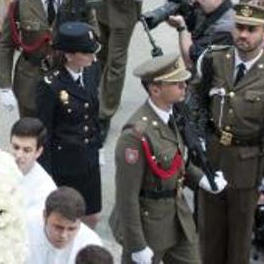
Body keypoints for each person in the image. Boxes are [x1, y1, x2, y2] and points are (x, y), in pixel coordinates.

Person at [194, 1, 264, 264]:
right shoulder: (215, 59)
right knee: (209, 233)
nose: (244, 35)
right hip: (212, 161)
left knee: (239, 238)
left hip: (248, 166)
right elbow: (197, 105)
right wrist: (196, 151)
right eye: (240, 27)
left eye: (252, 30)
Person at [110, 53, 203, 264]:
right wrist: (137, 245)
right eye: (176, 83)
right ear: (155, 89)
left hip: (177, 218)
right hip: (147, 225)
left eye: (183, 81)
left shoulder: (172, 114)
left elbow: (176, 162)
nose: (184, 86)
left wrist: (201, 179)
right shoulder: (135, 135)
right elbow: (127, 196)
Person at [37, 24, 106, 225]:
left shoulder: (92, 70)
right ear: (69, 55)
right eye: (86, 53)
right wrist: (45, 173)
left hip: (89, 158)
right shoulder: (51, 85)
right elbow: (45, 132)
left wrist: (98, 145)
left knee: (92, 215)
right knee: (66, 219)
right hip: (65, 163)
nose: (92, 57)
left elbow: (93, 110)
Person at [0, 0, 70, 118]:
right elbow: (6, 44)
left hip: (65, 78)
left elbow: (93, 40)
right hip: (30, 79)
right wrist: (4, 85)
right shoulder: (21, 3)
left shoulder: (76, 2)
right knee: (31, 133)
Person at [168, 0, 236, 68]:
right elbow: (192, 27)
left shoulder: (225, 28)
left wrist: (181, 27)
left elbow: (191, 62)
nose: (192, 2)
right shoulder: (208, 10)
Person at [26, 187, 104, 262]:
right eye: (58, 227)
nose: (63, 235)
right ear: (45, 216)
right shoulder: (24, 231)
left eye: (71, 229)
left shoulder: (90, 244)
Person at [11, 117, 58, 213]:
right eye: (16, 147)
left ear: (38, 152)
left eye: (27, 150)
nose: (19, 155)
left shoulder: (46, 189)